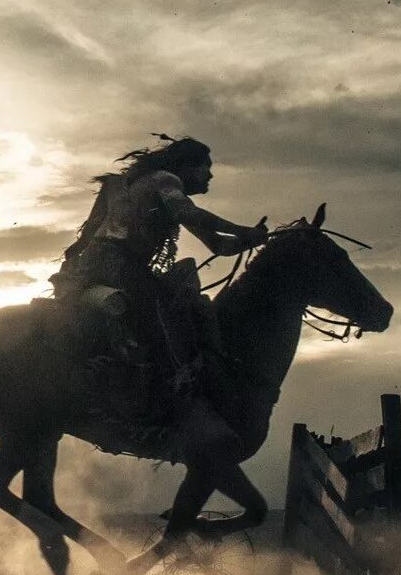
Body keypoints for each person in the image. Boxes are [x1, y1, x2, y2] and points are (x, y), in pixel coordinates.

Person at [51, 136, 266, 405]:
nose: (209, 174)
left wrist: (248, 240)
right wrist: (242, 230)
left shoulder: (144, 189)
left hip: (99, 267)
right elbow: (189, 215)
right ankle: (172, 380)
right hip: (119, 267)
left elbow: (218, 245)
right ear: (186, 166)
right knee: (174, 311)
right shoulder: (166, 181)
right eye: (205, 167)